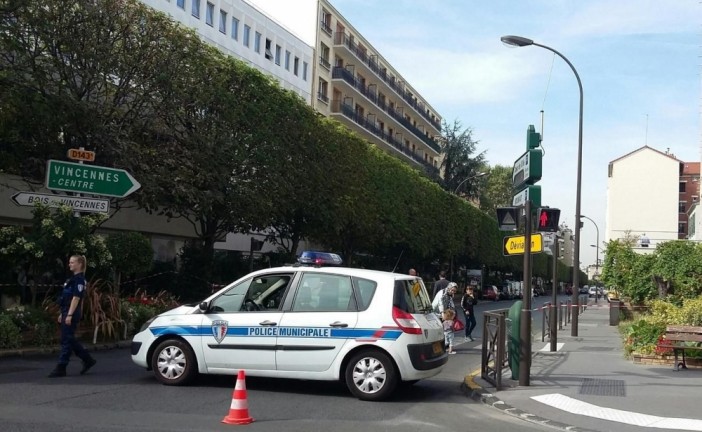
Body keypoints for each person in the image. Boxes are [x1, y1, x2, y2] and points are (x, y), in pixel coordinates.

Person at [48, 255, 96, 378]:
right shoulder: (72, 279)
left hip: (71, 313)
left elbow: (76, 298)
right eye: (69, 262)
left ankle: (61, 366)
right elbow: (66, 299)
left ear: (79, 264)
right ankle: (87, 359)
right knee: (69, 339)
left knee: (66, 340)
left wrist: (69, 314)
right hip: (66, 311)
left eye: (72, 262)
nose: (69, 264)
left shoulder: (79, 280)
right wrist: (62, 313)